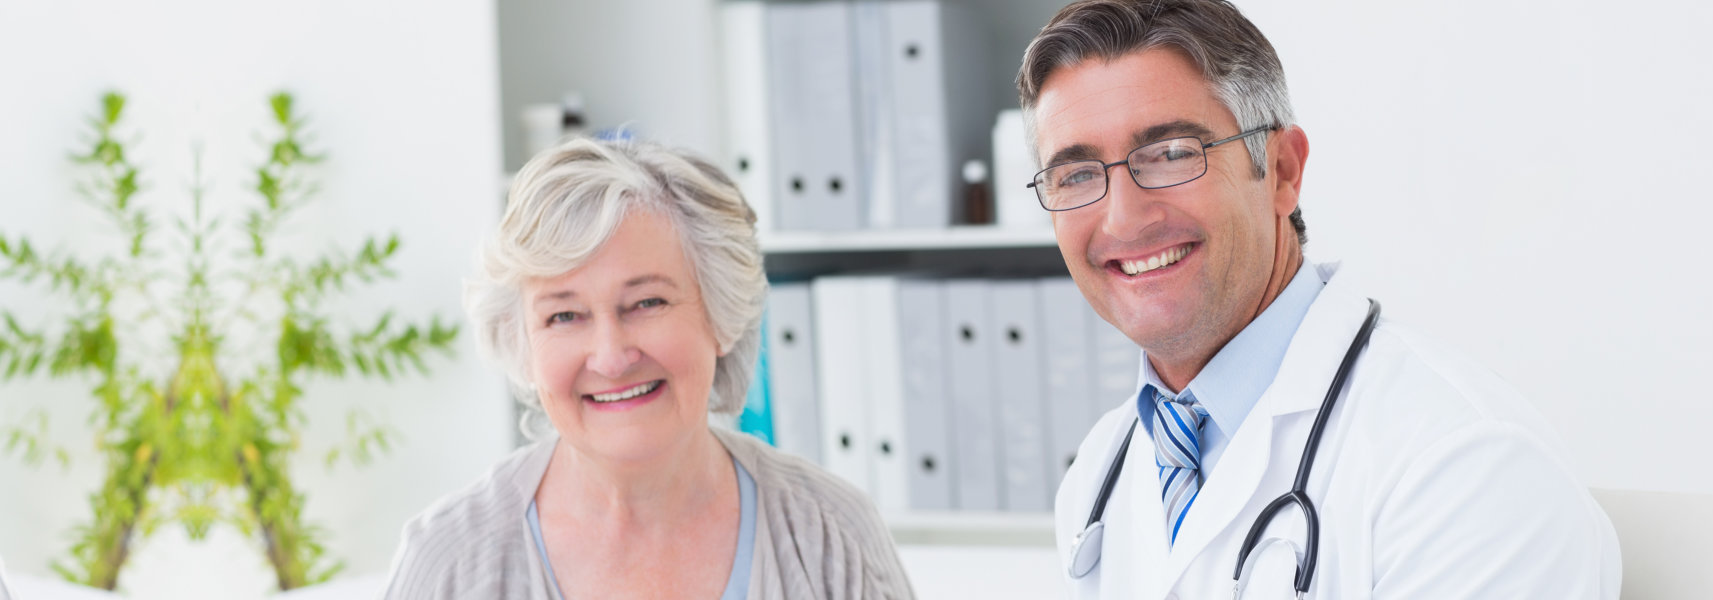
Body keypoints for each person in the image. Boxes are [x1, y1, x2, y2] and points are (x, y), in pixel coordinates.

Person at [1018, 1, 1622, 597]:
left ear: (1281, 170)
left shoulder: (1466, 466)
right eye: (1076, 175)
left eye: (1173, 154)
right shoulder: (1100, 469)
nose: (1122, 219)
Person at [382, 139, 912, 599]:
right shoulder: (449, 566)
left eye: (648, 303)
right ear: (522, 345)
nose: (611, 357)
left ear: (721, 315)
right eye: (564, 316)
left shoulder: (830, 536)